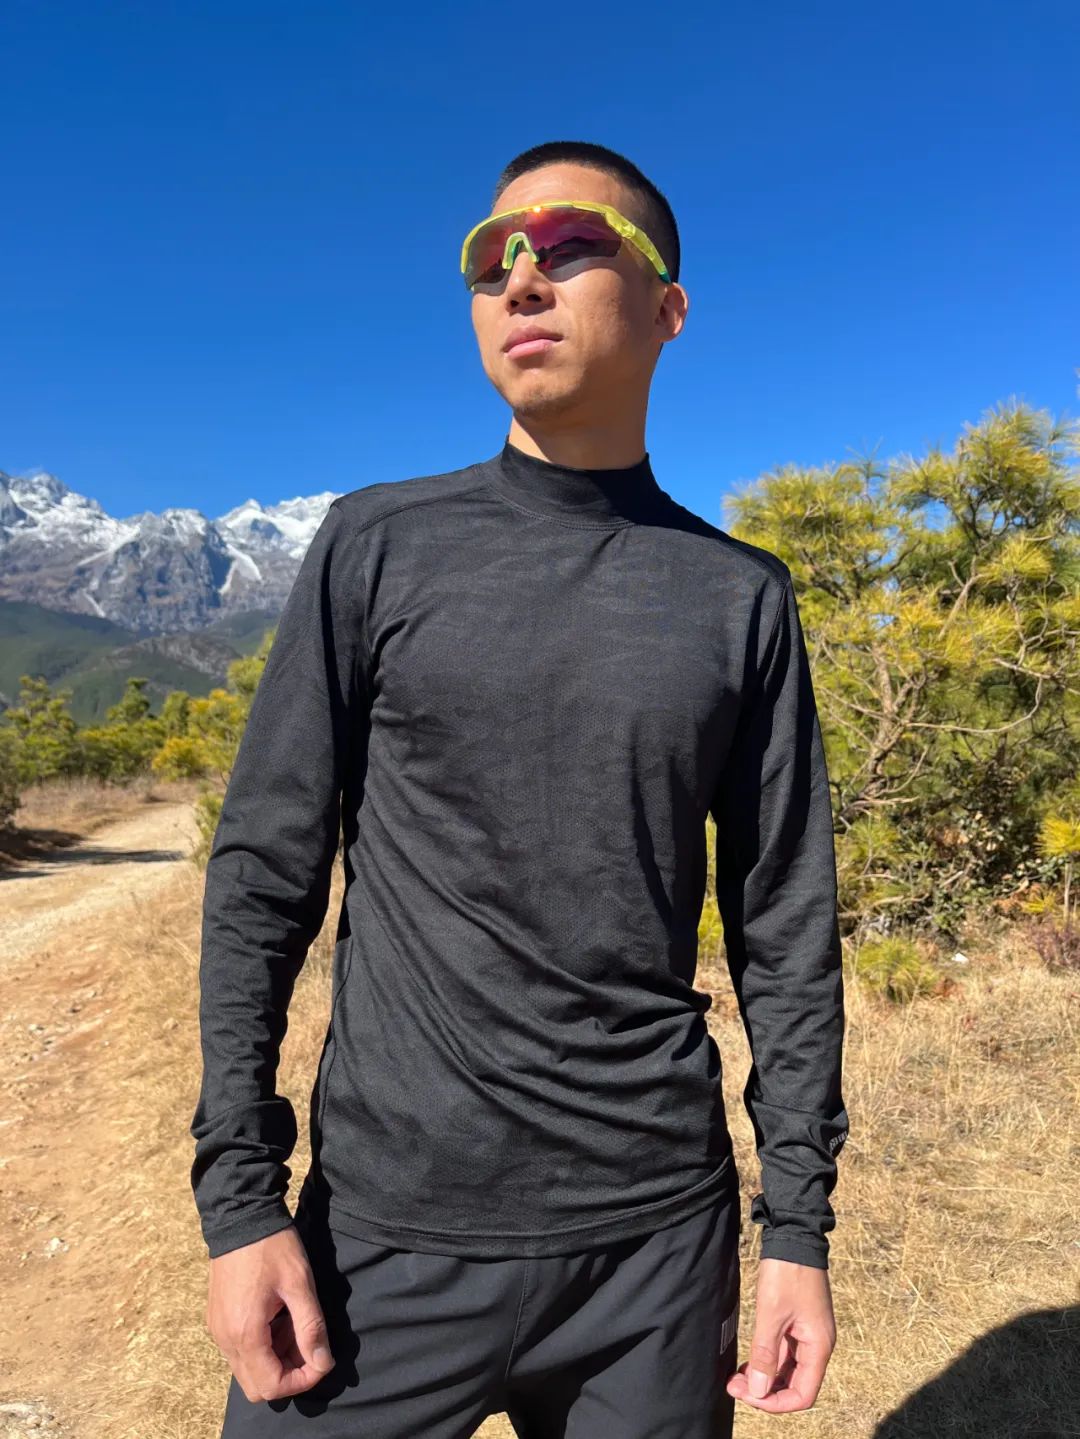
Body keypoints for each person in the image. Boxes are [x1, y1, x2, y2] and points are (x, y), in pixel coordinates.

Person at [190, 138, 850, 1438]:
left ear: (668, 309)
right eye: (492, 257)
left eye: (571, 245)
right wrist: (242, 1204)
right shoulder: (378, 545)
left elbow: (785, 928)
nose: (521, 280)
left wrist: (798, 1230)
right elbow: (266, 873)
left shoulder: (740, 598)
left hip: (657, 1253)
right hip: (384, 1240)